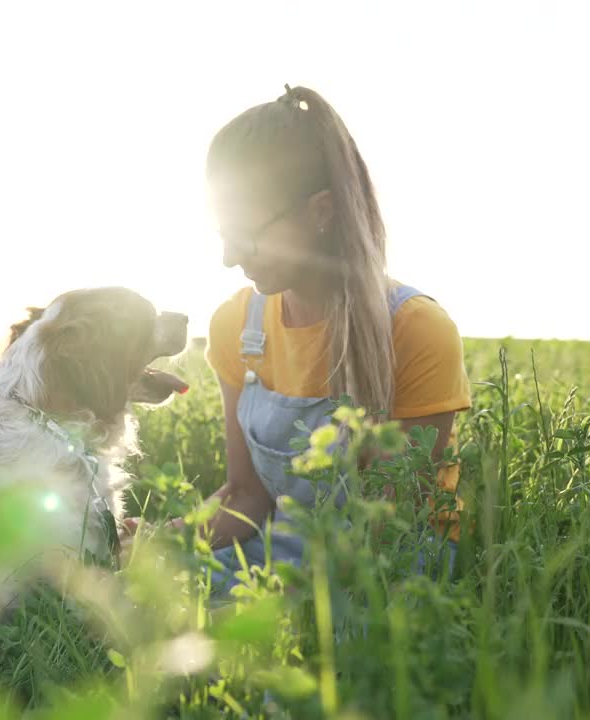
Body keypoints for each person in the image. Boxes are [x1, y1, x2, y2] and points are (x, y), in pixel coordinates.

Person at [121, 84, 471, 595]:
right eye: (222, 234)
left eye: (245, 234)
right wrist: (162, 544)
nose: (227, 258)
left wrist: (260, 604)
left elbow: (390, 530)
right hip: (284, 553)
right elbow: (247, 498)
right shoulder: (237, 325)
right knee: (132, 599)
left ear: (321, 211)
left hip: (388, 572)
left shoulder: (415, 328)